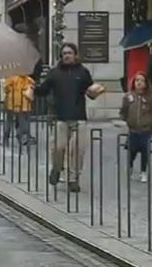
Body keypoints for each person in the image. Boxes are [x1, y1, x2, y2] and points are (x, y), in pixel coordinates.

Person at [32, 43, 99, 193]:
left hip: (78, 116)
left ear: (75, 55)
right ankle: (56, 168)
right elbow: (43, 90)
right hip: (59, 117)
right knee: (58, 147)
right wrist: (33, 88)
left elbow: (90, 90)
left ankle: (73, 180)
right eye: (64, 54)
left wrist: (95, 92)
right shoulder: (55, 73)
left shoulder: (83, 72)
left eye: (69, 53)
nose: (67, 56)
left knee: (77, 150)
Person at [119, 72, 152, 183]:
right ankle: (130, 168)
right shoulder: (128, 96)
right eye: (137, 81)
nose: (139, 83)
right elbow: (124, 111)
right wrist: (127, 120)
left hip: (145, 129)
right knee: (132, 151)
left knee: (145, 151)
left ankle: (143, 172)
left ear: (146, 83)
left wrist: (151, 124)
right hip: (133, 129)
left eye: (142, 81)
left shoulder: (150, 97)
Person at [3, 74, 36, 146]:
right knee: (23, 121)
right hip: (24, 104)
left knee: (9, 121)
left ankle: (6, 138)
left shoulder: (10, 78)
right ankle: (22, 138)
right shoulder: (28, 79)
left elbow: (6, 89)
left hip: (11, 103)